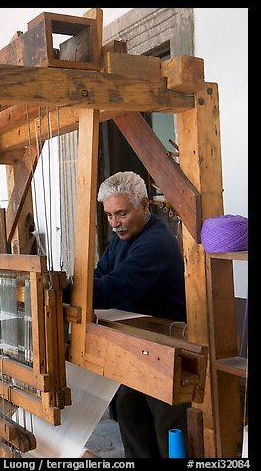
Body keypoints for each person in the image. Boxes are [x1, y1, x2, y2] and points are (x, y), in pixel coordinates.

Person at [64, 171, 189, 458]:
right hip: (136, 344)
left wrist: (65, 290)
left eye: (121, 213)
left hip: (165, 347)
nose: (114, 223)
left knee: (167, 426)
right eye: (108, 215)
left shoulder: (155, 243)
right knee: (128, 410)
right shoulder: (122, 238)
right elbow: (100, 274)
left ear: (144, 205)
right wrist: (70, 285)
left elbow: (114, 287)